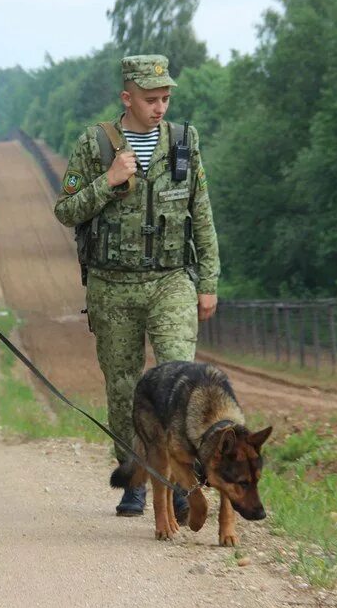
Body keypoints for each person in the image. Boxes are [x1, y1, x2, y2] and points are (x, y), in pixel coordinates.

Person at [53, 54, 220, 518]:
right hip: (113, 286)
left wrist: (208, 281)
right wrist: (107, 182)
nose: (160, 107)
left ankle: (184, 481)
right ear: (127, 97)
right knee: (124, 387)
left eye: (166, 98)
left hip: (170, 281)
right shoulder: (95, 144)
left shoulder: (185, 142)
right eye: (151, 99)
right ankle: (135, 476)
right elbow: (65, 211)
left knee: (181, 380)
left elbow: (201, 215)